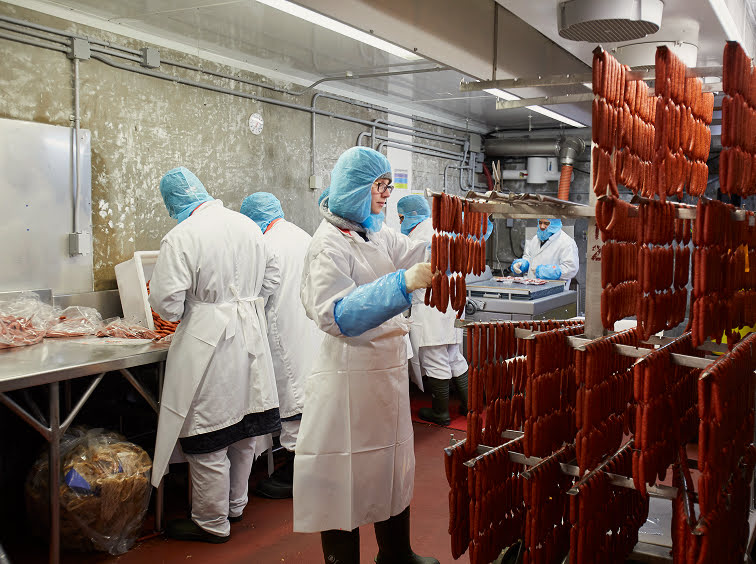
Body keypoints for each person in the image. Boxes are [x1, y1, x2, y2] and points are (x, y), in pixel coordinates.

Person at [294, 147, 438, 564]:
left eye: (389, 185)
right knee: (346, 477)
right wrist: (400, 285)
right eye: (381, 186)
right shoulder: (327, 244)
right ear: (356, 187)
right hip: (350, 375)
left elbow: (416, 252)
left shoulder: (374, 231)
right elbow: (336, 314)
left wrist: (457, 239)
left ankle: (396, 554)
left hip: (385, 371)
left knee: (391, 466)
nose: (387, 194)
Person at [149, 167, 282, 543]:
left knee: (208, 433)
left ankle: (210, 522)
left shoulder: (182, 236)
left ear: (173, 202)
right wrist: (247, 301)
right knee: (243, 429)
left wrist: (198, 308)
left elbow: (166, 303)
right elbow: (273, 276)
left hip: (208, 340)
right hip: (250, 334)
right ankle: (235, 506)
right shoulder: (247, 226)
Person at [239, 192, 323, 499]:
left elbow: (257, 294)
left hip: (284, 329)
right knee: (309, 398)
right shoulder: (302, 235)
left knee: (293, 399)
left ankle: (297, 475)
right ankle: (311, 466)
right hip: (312, 326)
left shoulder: (266, 244)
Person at [397, 194, 468, 426]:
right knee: (453, 355)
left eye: (401, 218)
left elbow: (409, 274)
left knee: (435, 357)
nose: (400, 223)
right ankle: (469, 405)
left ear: (411, 215)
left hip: (432, 306)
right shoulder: (440, 228)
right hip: (454, 303)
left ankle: (440, 412)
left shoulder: (417, 238)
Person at [510, 218, 579, 286]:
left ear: (555, 224)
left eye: (546, 223)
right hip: (532, 286)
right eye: (540, 223)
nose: (542, 226)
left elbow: (571, 268)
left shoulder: (566, 242)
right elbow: (528, 257)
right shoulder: (535, 239)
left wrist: (547, 272)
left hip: (554, 289)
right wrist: (523, 264)